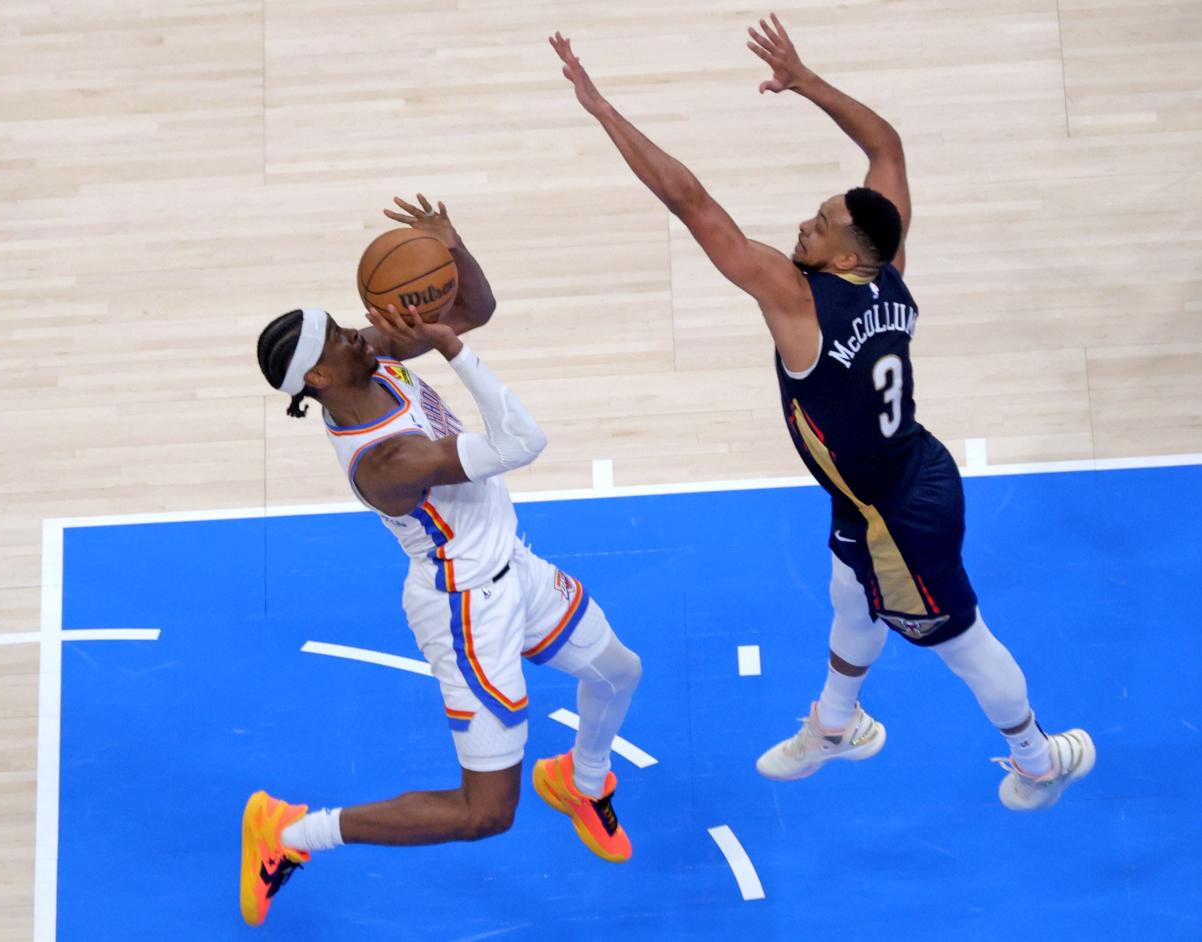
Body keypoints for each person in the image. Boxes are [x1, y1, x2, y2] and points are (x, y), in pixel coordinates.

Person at [548, 16, 1093, 812]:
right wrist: (804, 81)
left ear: (843, 256)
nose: (806, 221)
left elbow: (689, 199)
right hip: (887, 477)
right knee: (849, 594)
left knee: (961, 642)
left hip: (898, 512)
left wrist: (600, 109)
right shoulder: (889, 267)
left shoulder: (795, 300)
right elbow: (889, 149)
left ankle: (1039, 761)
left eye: (822, 222)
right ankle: (836, 725)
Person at [242, 210, 642, 928]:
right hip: (466, 611)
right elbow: (523, 440)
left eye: (345, 324)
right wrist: (452, 352)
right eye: (339, 336)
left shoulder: (359, 359)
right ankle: (288, 833)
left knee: (619, 671)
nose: (357, 331)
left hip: (509, 567)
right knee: (486, 814)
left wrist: (451, 251)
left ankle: (582, 781)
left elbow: (475, 308)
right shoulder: (385, 462)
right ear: (319, 377)